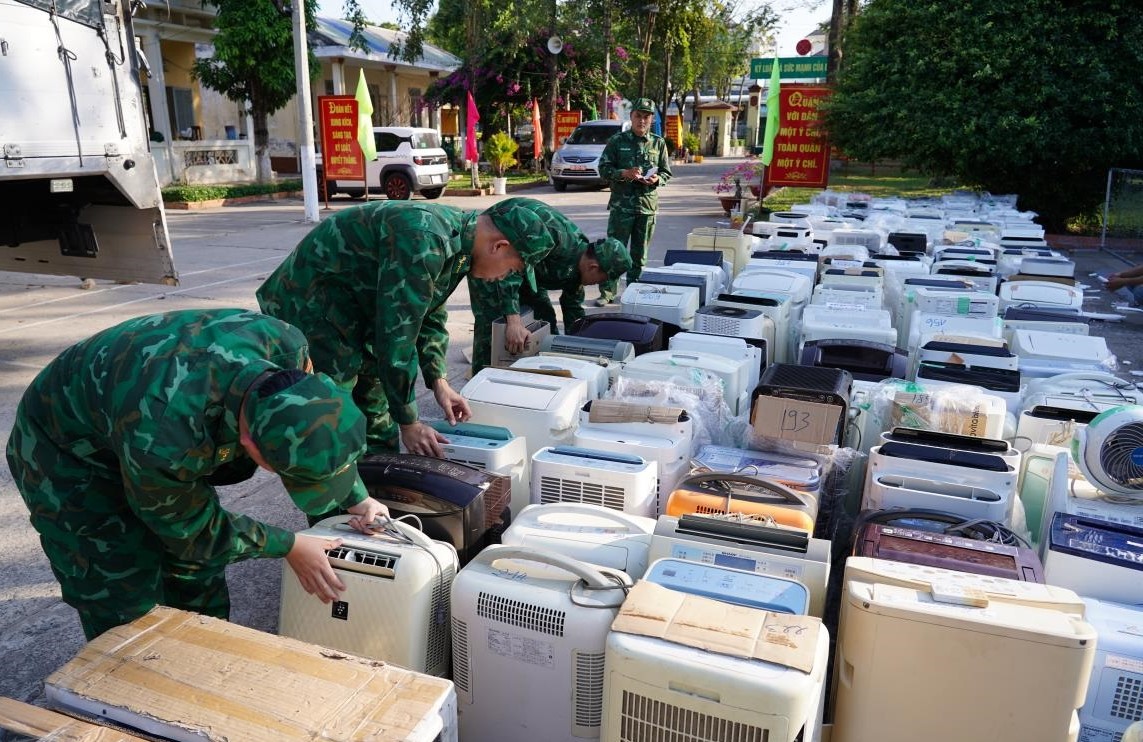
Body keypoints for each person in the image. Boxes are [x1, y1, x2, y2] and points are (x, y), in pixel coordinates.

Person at [5, 308, 388, 640]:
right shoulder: (166, 435)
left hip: (140, 413)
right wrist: (289, 546)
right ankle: (127, 682)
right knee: (118, 588)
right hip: (65, 448)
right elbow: (193, 532)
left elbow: (319, 426)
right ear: (250, 445)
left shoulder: (289, 347)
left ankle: (201, 655)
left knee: (196, 574)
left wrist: (358, 497)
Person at [256, 199, 555, 459]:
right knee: (334, 414)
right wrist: (409, 422)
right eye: (512, 269)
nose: (502, 278)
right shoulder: (425, 240)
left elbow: (430, 314)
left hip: (357, 309)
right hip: (313, 304)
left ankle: (377, 489)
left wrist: (438, 380)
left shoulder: (461, 246)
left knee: (377, 415)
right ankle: (335, 501)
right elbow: (397, 337)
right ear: (499, 246)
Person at [467, 197, 633, 374]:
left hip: (525, 269)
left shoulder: (580, 266)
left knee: (545, 321)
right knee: (493, 326)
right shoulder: (559, 240)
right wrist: (513, 322)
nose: (597, 284)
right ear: (593, 267)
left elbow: (573, 310)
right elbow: (508, 271)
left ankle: (537, 373)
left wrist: (578, 353)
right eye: (600, 280)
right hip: (494, 253)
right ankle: (481, 378)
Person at [595, 96, 673, 305]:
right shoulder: (617, 141)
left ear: (651, 119)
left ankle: (633, 291)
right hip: (622, 207)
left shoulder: (658, 143)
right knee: (614, 250)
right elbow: (603, 169)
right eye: (638, 116)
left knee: (640, 255)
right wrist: (624, 173)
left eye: (646, 117)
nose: (642, 120)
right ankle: (607, 292)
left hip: (647, 207)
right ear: (631, 116)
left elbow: (666, 172)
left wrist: (657, 179)